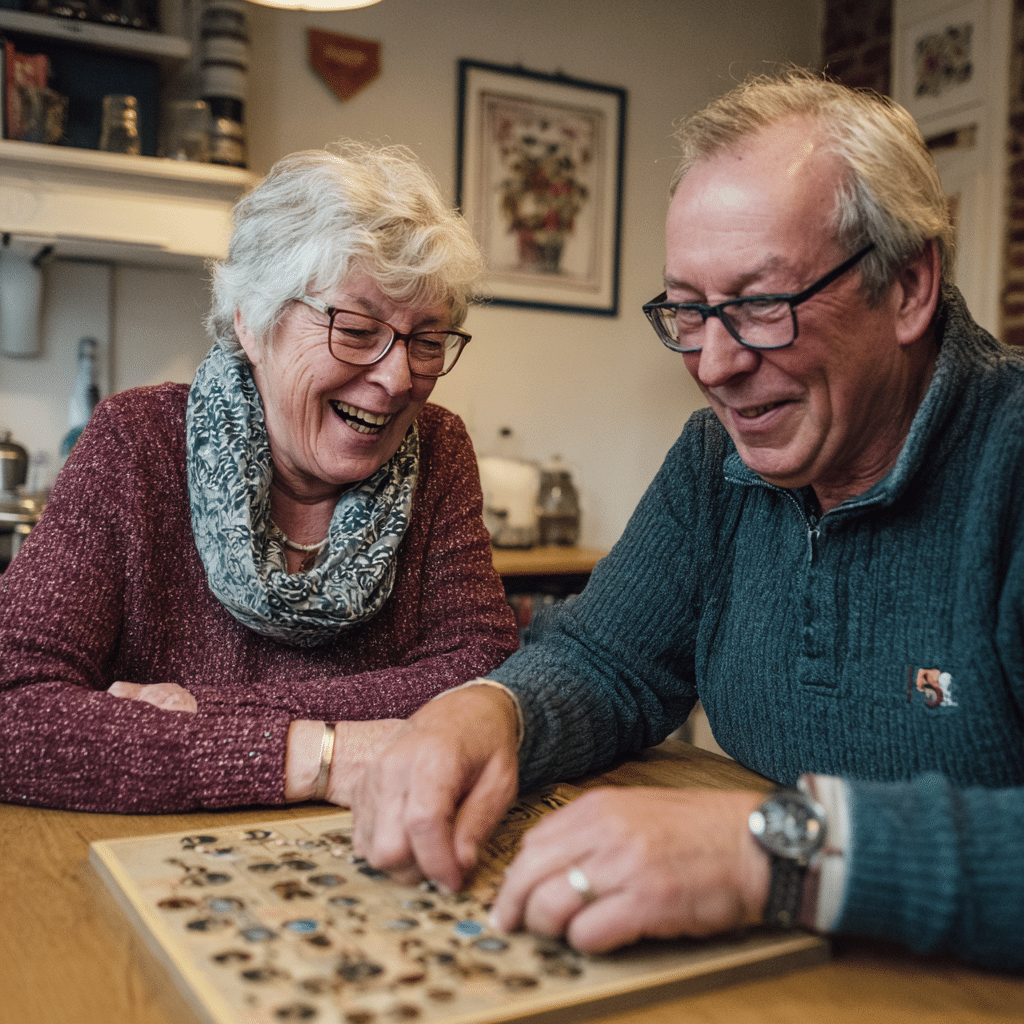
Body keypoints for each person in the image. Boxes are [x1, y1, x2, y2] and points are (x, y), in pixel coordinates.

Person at [350, 70, 1024, 974]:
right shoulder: (716, 462)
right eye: (690, 310)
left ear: (907, 287)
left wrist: (779, 851)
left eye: (757, 305)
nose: (713, 362)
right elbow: (604, 661)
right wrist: (488, 711)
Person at [0, 142, 519, 813]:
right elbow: (13, 705)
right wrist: (316, 756)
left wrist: (204, 710)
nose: (398, 380)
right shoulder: (138, 442)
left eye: (426, 341)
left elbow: (483, 679)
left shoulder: (440, 451)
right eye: (358, 329)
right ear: (253, 320)